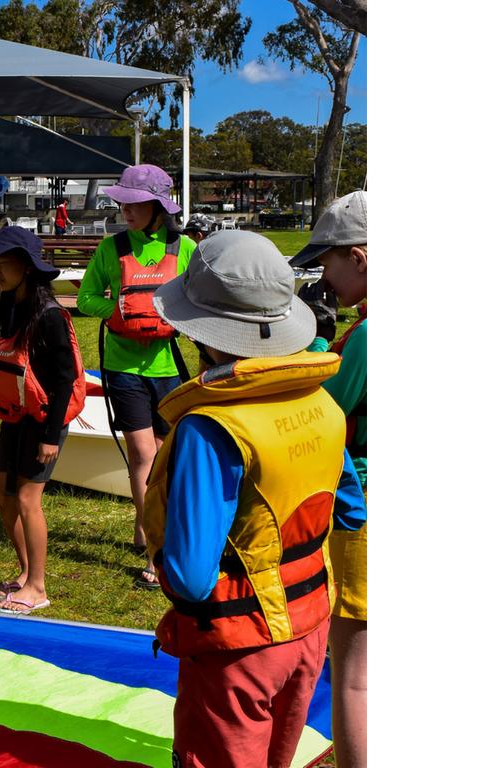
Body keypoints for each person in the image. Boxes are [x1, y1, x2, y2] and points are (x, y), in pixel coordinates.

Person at [142, 230, 367, 768]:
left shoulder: (209, 427)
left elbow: (193, 577)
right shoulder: (323, 405)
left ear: (200, 331)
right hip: (311, 630)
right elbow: (352, 509)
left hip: (239, 645)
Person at [75, 164, 197, 589]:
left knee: (165, 455)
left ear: (159, 208)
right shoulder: (111, 249)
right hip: (123, 367)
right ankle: (155, 551)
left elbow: (197, 298)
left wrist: (174, 321)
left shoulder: (184, 249)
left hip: (168, 368)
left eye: (135, 204)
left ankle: (147, 525)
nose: (125, 211)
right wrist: (119, 312)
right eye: (122, 203)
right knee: (144, 454)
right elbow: (86, 298)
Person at [0, 227, 87, 615]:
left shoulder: (48, 317)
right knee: (4, 494)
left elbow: (66, 379)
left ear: (27, 268)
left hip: (45, 421)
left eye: (3, 264)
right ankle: (25, 571)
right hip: (14, 418)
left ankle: (38, 587)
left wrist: (50, 437)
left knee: (29, 499)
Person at [291, 190, 368, 768]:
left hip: (362, 511)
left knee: (356, 677)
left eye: (327, 262)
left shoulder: (367, 337)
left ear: (359, 257)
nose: (324, 275)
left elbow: (324, 411)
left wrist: (313, 348)